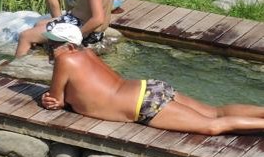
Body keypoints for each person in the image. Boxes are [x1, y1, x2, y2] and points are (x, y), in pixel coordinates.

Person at [40, 23, 264, 135]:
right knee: (216, 112)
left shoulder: (65, 61)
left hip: (142, 105)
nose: (49, 47)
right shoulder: (86, 53)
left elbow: (56, 100)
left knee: (213, 126)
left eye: (53, 44)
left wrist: (50, 100)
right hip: (149, 88)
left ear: (69, 46)